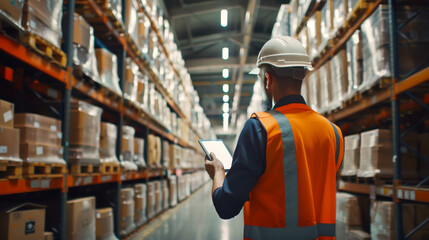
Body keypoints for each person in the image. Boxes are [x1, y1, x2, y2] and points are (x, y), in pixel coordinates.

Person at [204, 36, 344, 240]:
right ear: (302, 76)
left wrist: (217, 171)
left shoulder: (260, 128)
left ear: (267, 80)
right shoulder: (333, 132)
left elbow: (226, 206)